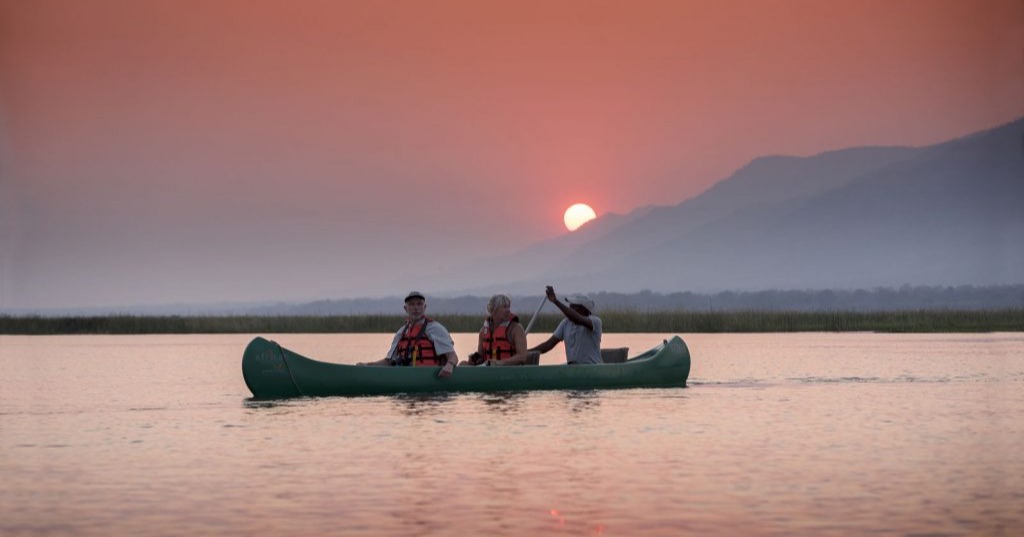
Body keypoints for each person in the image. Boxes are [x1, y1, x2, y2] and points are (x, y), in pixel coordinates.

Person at [357, 291, 459, 378]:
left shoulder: (435, 328)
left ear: (425, 307)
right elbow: (388, 362)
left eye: (419, 304)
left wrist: (449, 365)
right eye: (412, 304)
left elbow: (453, 356)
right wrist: (367, 365)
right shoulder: (401, 332)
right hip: (406, 376)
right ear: (405, 308)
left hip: (430, 377)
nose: (416, 308)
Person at [529, 286, 602, 364]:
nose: (570, 308)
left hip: (592, 367)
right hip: (573, 368)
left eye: (574, 307)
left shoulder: (595, 321)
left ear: (584, 309)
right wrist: (524, 353)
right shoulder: (566, 323)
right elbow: (548, 345)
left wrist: (555, 301)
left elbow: (577, 319)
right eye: (570, 306)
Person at [465, 293, 530, 366]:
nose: (508, 310)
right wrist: (474, 358)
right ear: (493, 310)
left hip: (509, 371)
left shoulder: (516, 329)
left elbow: (522, 357)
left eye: (508, 307)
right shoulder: (483, 331)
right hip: (488, 370)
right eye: (504, 307)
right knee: (463, 364)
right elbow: (481, 356)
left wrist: (500, 362)